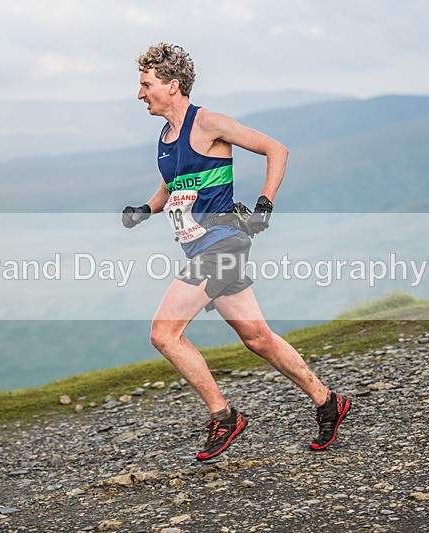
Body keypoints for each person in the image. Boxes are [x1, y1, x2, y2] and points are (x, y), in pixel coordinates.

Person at [122, 43, 350, 461]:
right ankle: (328, 401)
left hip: (221, 244)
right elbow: (172, 187)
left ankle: (224, 416)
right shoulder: (166, 137)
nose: (140, 94)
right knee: (257, 338)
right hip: (199, 247)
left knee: (164, 333)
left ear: (172, 86)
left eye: (146, 85)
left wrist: (265, 204)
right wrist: (144, 209)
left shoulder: (209, 123)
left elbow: (276, 149)